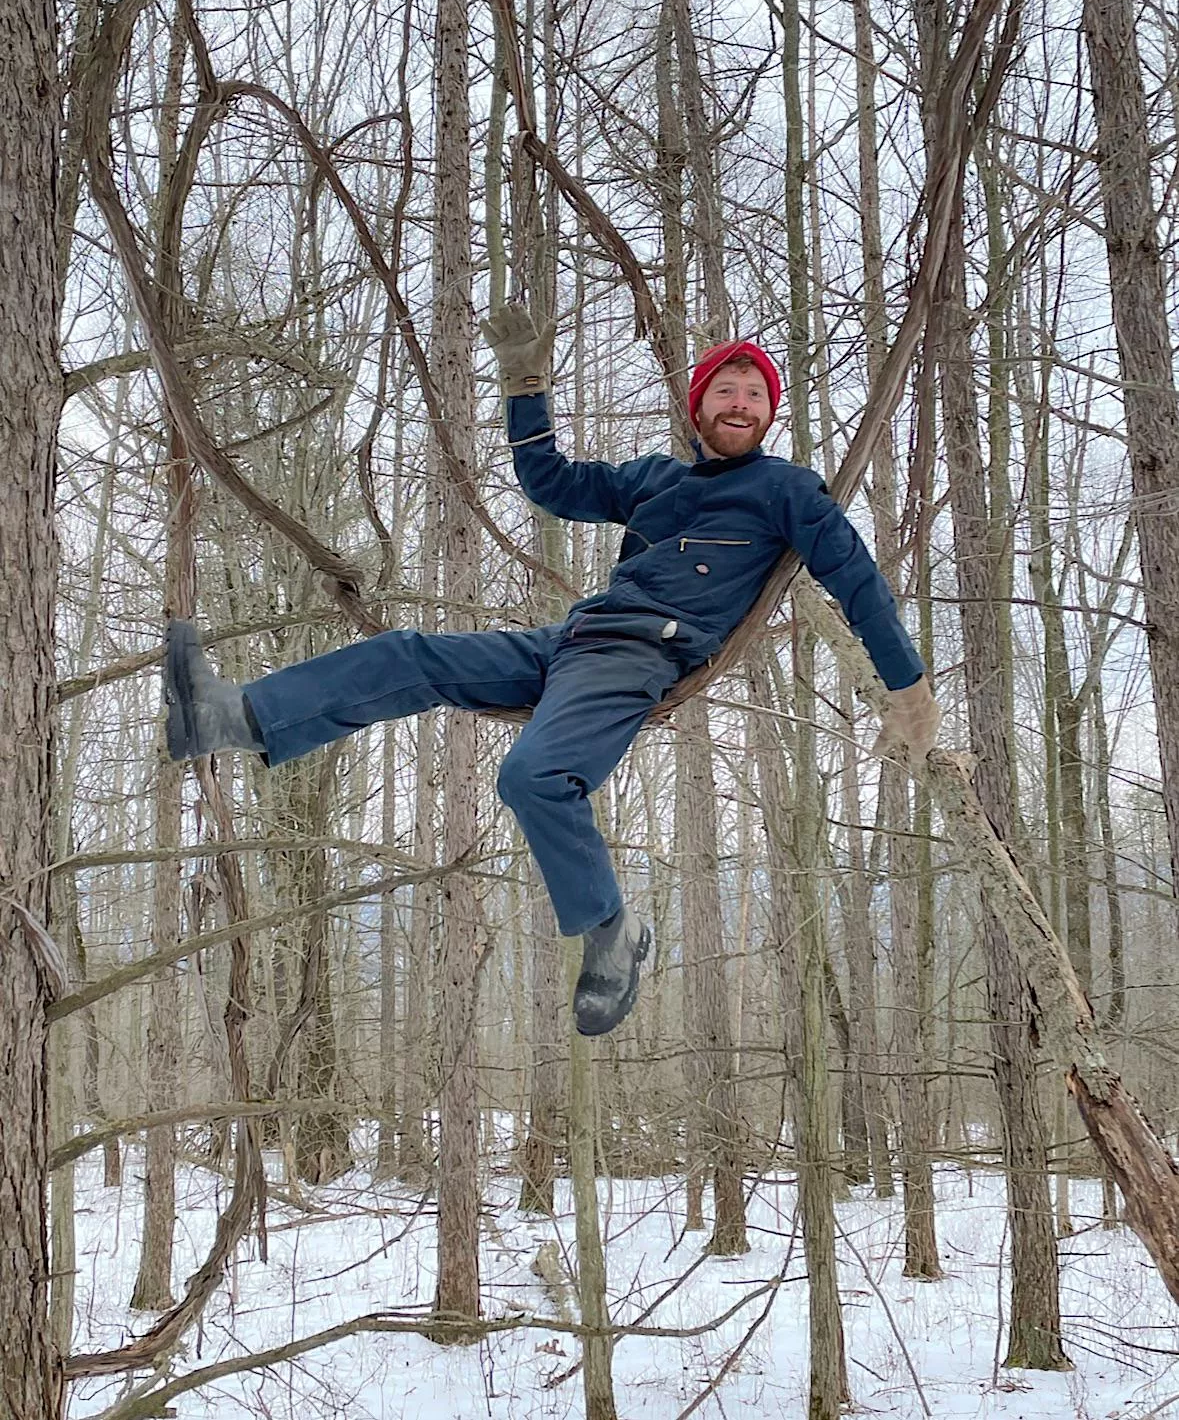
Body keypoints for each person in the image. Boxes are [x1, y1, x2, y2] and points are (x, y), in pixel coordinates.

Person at [164, 305, 941, 1036]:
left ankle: (611, 930)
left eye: (754, 395)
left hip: (641, 655)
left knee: (533, 776)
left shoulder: (785, 489)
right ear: (697, 406)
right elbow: (552, 484)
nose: (740, 404)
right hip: (571, 641)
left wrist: (906, 692)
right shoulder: (654, 480)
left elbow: (857, 581)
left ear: (768, 414)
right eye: (725, 391)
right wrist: (524, 388)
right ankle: (233, 717)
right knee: (407, 654)